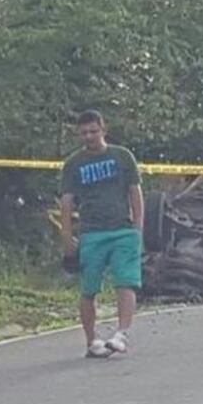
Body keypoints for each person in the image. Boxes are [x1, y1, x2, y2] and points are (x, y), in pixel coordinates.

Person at [60, 110, 144, 358]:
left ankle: (122, 334)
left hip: (122, 230)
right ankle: (91, 341)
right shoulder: (74, 164)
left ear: (103, 130)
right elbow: (66, 202)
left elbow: (135, 193)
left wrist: (137, 228)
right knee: (89, 289)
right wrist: (67, 237)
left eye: (93, 131)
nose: (89, 136)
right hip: (91, 233)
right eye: (84, 133)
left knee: (125, 281)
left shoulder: (122, 156)